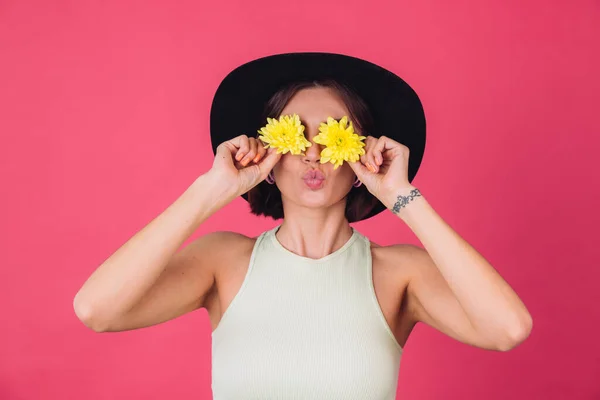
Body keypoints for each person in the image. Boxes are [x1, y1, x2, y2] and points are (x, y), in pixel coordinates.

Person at [73, 52, 532, 399]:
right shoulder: (223, 262)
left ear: (359, 159)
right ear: (269, 158)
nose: (312, 153)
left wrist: (400, 196)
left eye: (334, 134)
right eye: (295, 135)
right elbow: (97, 309)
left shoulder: (399, 275)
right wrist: (211, 189)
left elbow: (507, 329)